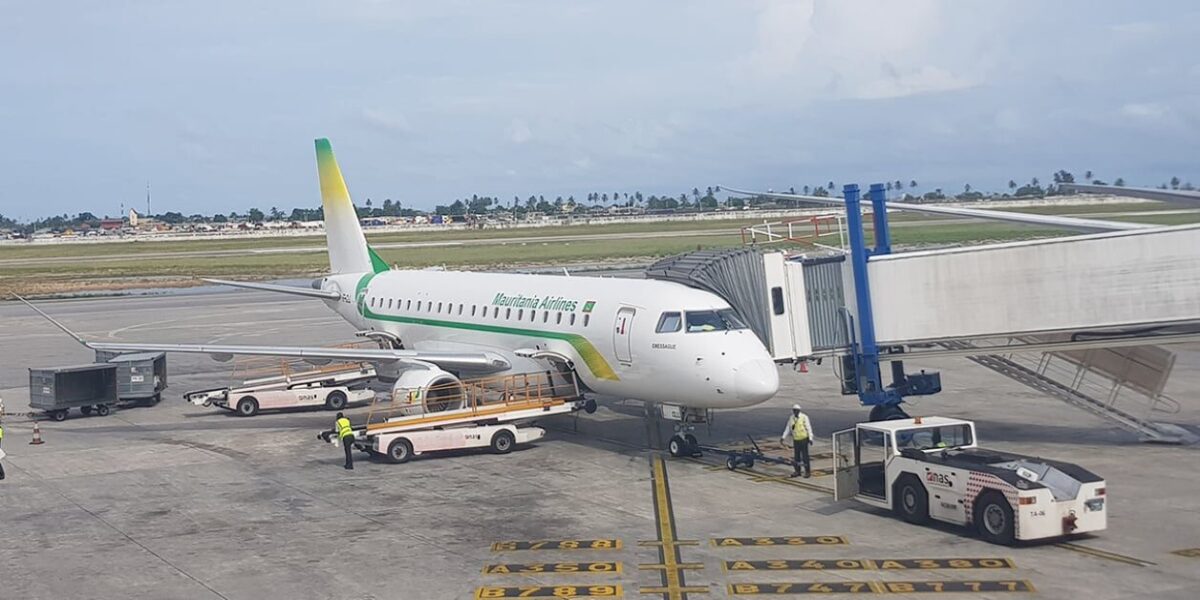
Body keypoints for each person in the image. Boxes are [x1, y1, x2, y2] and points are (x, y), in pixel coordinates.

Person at [780, 404, 813, 478]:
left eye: (796, 411)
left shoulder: (804, 417)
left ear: (799, 411)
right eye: (794, 411)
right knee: (796, 457)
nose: (795, 412)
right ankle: (797, 471)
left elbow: (808, 427)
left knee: (805, 456)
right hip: (796, 440)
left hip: (804, 439)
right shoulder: (791, 418)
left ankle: (807, 472)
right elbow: (788, 428)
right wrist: (783, 437)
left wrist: (810, 438)